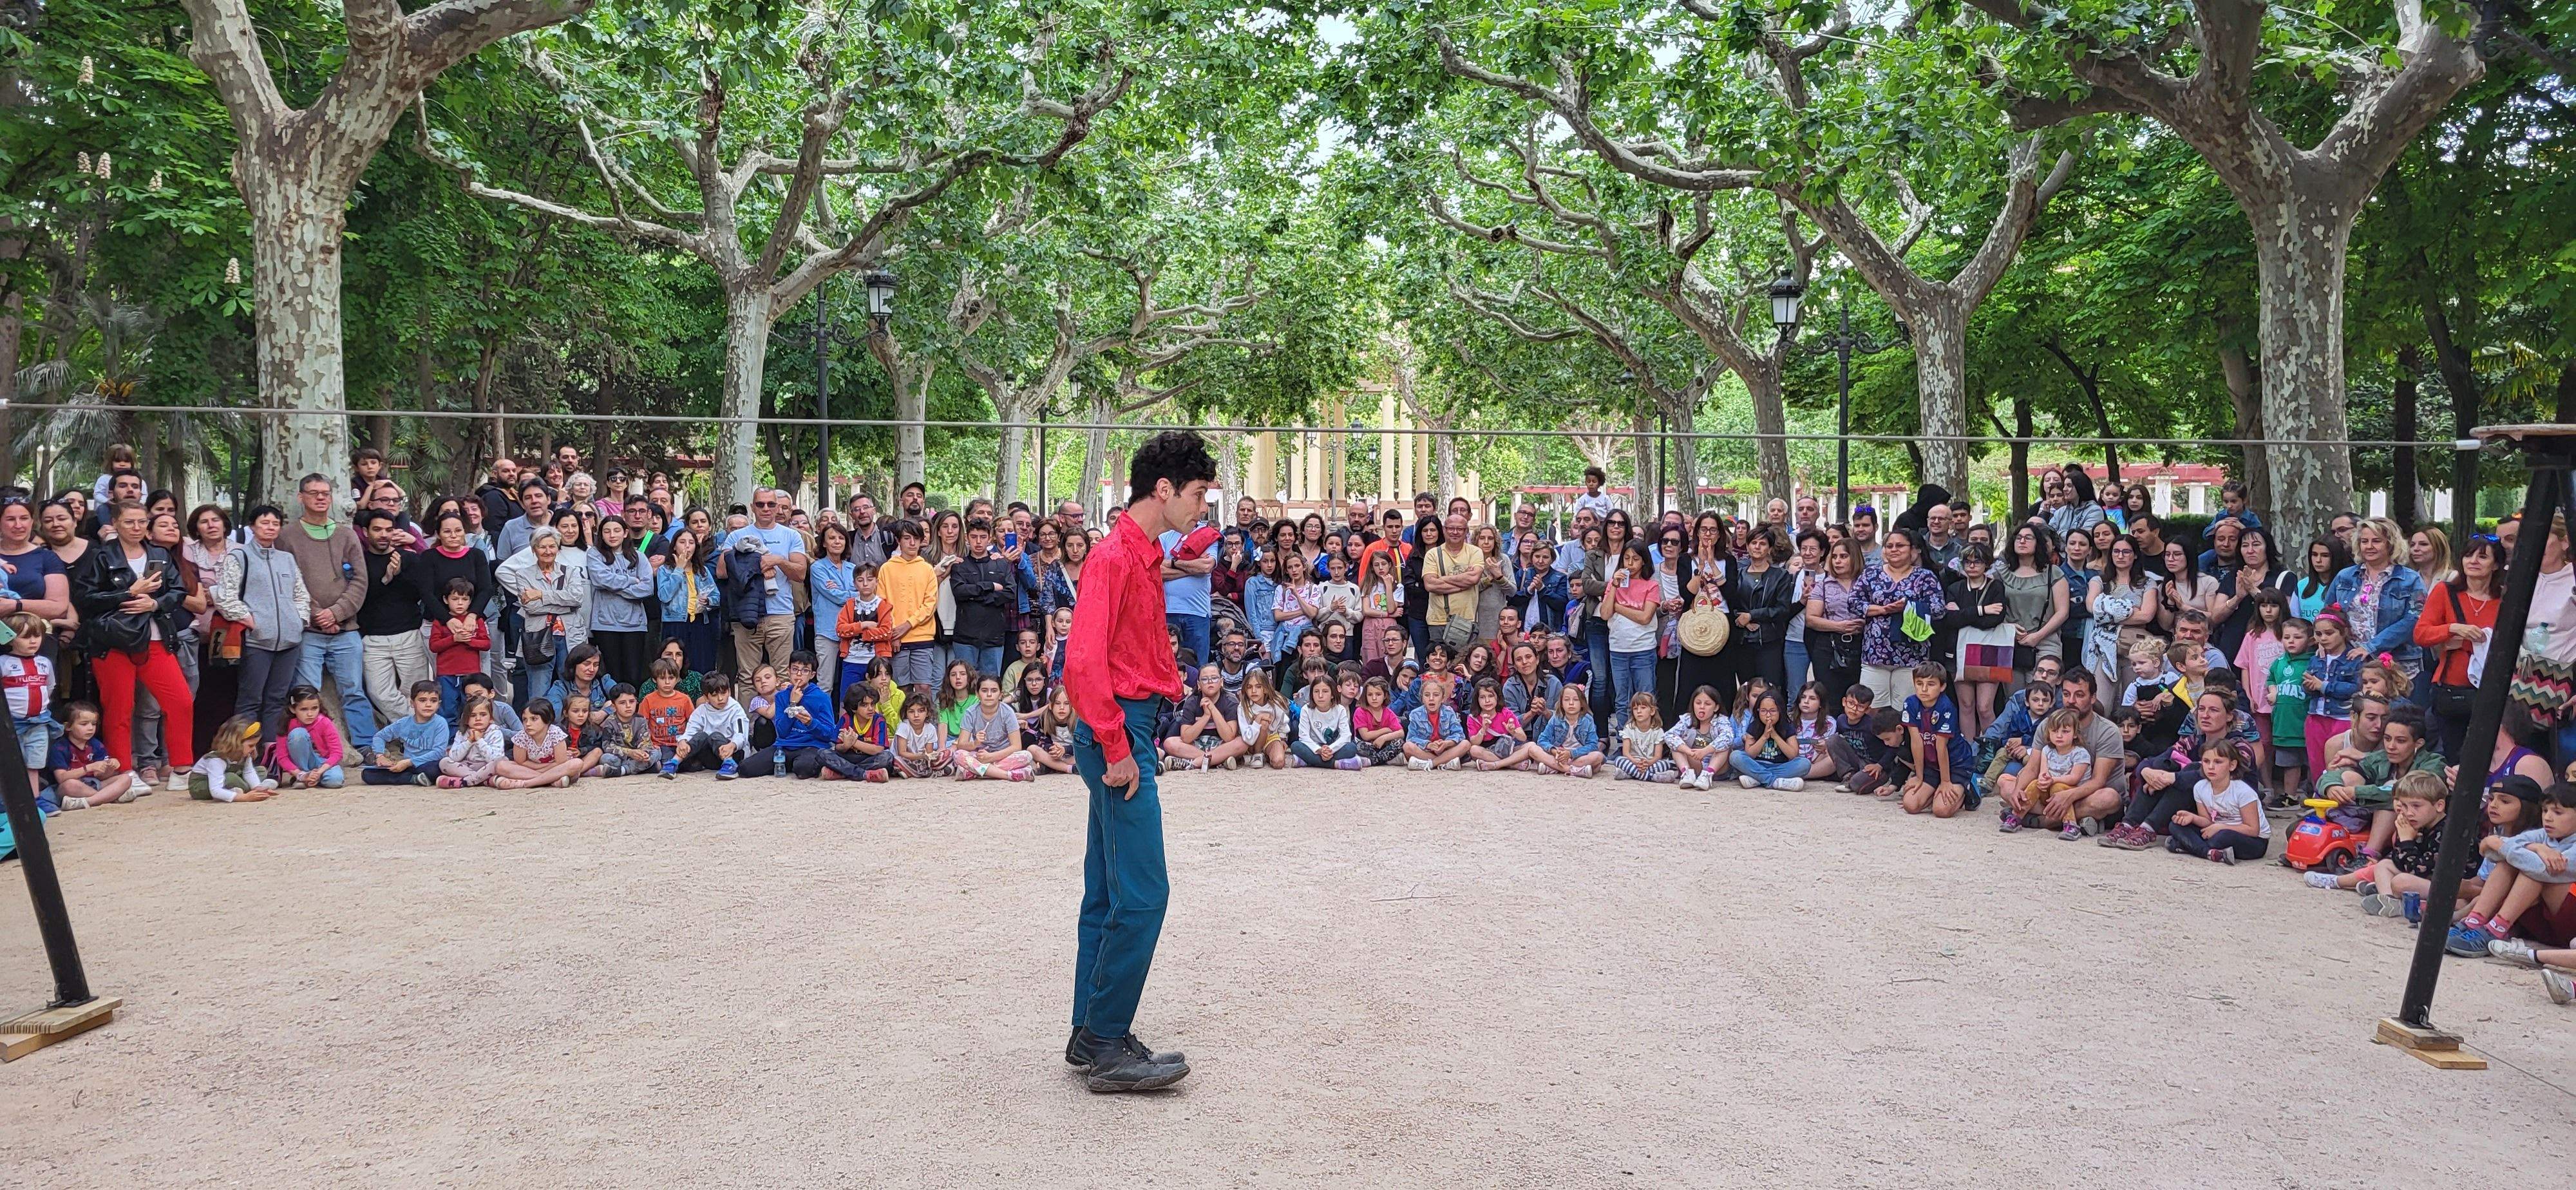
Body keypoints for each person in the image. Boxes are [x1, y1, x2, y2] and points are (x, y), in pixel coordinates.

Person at [1057, 430, 1209, 1093]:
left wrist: (1195, 543)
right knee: (1145, 893)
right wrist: (1119, 750)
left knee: (1111, 889)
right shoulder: (1117, 557)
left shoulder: (1136, 551)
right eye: (1199, 495)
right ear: (1165, 490)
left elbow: (1170, 557)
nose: (1204, 507)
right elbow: (1082, 662)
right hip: (1120, 728)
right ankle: (1104, 1039)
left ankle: (1090, 1031)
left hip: (1122, 723)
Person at [70, 498, 195, 787]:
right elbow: (85, 601)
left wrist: (154, 603)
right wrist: (128, 592)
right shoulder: (100, 556)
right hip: (113, 641)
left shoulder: (160, 554)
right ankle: (124, 772)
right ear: (115, 523)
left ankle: (181, 769)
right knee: (119, 708)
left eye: (142, 522)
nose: (137, 527)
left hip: (155, 638)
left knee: (181, 702)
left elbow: (178, 591)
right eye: (129, 522)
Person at [2447, 782, 2576, 956]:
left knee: (2531, 872)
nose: (2548, 818)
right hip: (2545, 925)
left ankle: (2495, 930)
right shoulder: (2543, 835)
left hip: (2570, 927)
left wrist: (2496, 843)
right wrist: (2536, 847)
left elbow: (2538, 869)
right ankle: (2474, 921)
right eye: (2545, 811)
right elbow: (2494, 854)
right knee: (2509, 863)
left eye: (2558, 812)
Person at [718, 488, 808, 675]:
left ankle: (780, 706)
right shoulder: (737, 536)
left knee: (783, 675)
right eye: (760, 504)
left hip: (781, 613)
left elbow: (800, 574)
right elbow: (721, 571)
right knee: (747, 675)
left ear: (778, 508)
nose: (766, 508)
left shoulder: (791, 536)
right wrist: (753, 564)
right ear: (752, 507)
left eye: (771, 504)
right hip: (746, 613)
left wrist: (779, 561)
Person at [2165, 739, 2269, 864]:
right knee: (2175, 825)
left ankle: (2189, 846)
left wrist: (2219, 827)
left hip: (2252, 840)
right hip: (2215, 830)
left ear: (2232, 765)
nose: (2211, 767)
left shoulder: (2243, 792)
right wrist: (2192, 818)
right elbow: (2207, 821)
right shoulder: (2200, 787)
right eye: (2206, 761)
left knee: (2221, 838)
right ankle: (2210, 853)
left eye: (2218, 762)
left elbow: (2253, 829)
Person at [366, 681, 454, 786]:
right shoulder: (404, 723)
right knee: (367, 774)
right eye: (422, 700)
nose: (428, 705)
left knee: (436, 769)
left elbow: (438, 752)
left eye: (433, 701)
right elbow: (380, 736)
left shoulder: (440, 723)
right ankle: (414, 779)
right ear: (412, 703)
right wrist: (380, 756)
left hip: (428, 764)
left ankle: (412, 778)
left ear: (439, 704)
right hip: (408, 766)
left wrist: (410, 762)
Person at [1161, 665, 1243, 773]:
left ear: (1221, 682)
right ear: (1199, 685)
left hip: (1222, 745)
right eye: (1205, 679)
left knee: (1242, 742)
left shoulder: (1230, 701)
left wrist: (1213, 710)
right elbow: (1186, 738)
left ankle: (1194, 763)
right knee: (1169, 743)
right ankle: (1219, 760)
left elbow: (1229, 737)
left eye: (1214, 678)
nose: (1210, 682)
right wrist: (1206, 717)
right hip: (1197, 745)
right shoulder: (1192, 702)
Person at [189, 714, 279, 802]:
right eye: (251, 745)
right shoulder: (216, 759)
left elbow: (249, 772)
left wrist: (258, 788)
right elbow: (215, 790)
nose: (253, 749)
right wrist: (245, 798)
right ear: (236, 744)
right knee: (231, 778)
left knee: (261, 770)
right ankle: (234, 793)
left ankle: (236, 790)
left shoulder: (245, 755)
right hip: (202, 785)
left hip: (228, 777)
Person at [271, 685, 347, 788]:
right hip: (300, 765)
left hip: (323, 763)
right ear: (293, 709)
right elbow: (282, 757)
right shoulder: (287, 724)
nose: (310, 714)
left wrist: (320, 772)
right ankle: (303, 776)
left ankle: (311, 779)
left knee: (335, 781)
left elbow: (337, 753)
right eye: (304, 709)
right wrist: (300, 774)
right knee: (298, 734)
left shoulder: (325, 722)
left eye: (314, 708)